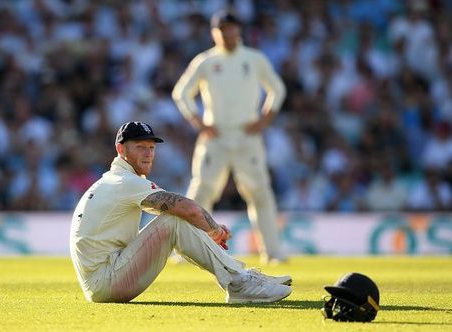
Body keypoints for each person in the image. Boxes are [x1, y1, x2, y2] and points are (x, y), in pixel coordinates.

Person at [69, 121, 292, 304]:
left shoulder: (115, 180)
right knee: (173, 221)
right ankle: (240, 282)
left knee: (174, 220)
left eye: (151, 148)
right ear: (121, 149)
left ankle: (240, 277)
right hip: (106, 282)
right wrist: (213, 230)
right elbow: (188, 208)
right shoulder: (124, 182)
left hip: (102, 280)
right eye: (140, 147)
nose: (148, 154)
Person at [172, 11, 287, 264]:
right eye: (222, 29)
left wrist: (264, 120)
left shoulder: (254, 59)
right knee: (201, 191)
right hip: (216, 135)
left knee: (260, 193)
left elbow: (277, 90)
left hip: (247, 135)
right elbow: (181, 93)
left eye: (232, 28)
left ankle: (273, 253)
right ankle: (186, 251)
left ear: (239, 30)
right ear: (214, 33)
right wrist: (198, 122)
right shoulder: (206, 61)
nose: (227, 33)